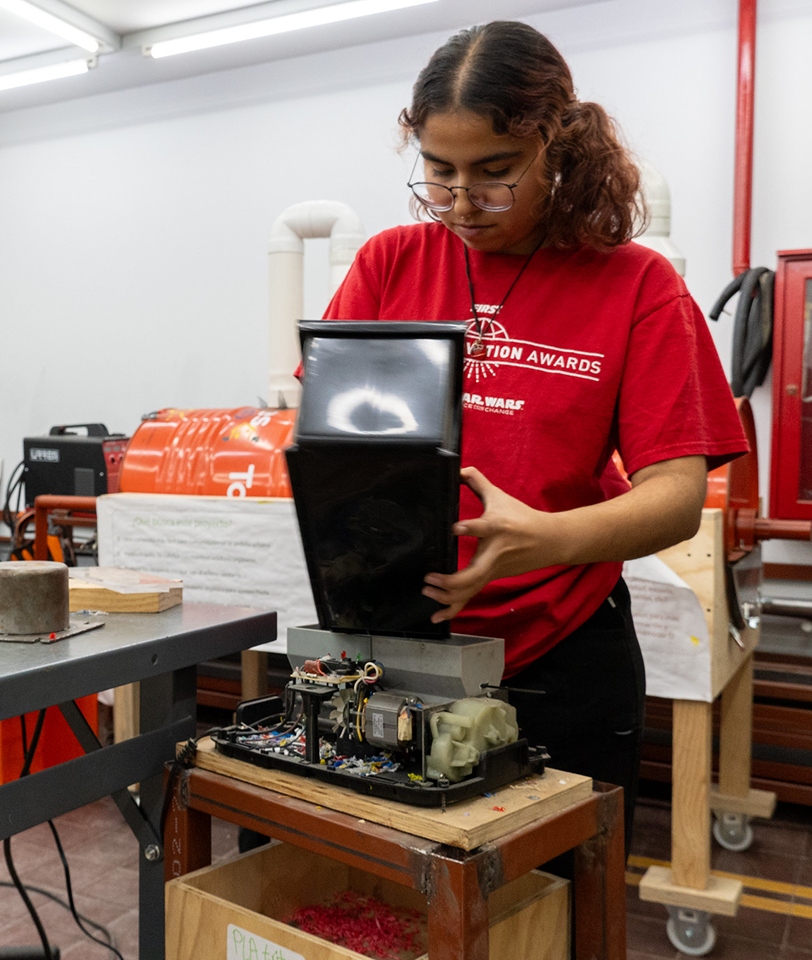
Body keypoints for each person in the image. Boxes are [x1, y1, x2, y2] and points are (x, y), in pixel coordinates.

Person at [323, 21, 748, 853]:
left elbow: (676, 497)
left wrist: (544, 539)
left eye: (495, 172)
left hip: (563, 653)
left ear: (558, 145)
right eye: (439, 172)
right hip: (396, 640)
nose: (461, 202)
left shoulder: (636, 285)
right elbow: (335, 446)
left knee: (556, 892)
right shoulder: (388, 265)